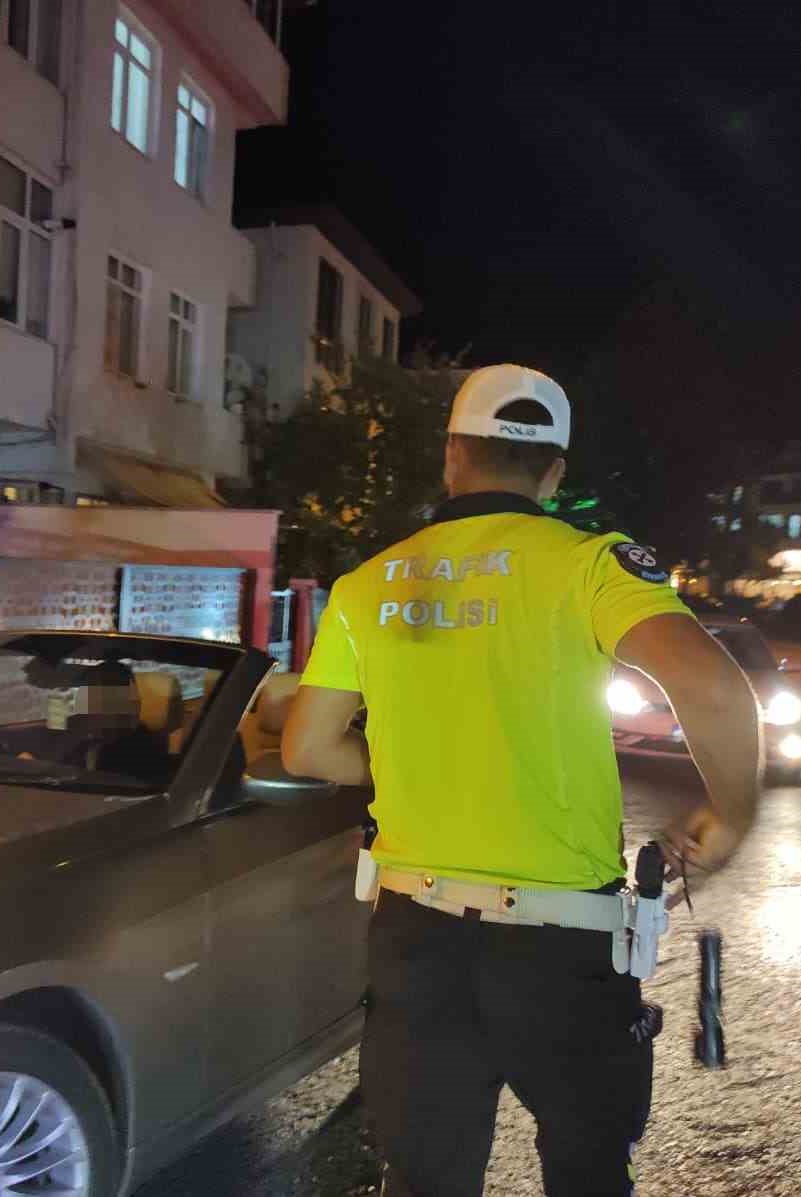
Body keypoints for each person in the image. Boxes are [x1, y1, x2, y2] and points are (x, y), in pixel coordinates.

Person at [281, 364, 763, 1197]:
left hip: (415, 937)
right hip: (560, 948)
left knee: (425, 1175)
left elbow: (307, 749)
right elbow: (715, 689)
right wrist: (732, 813)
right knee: (585, 1168)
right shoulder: (588, 565)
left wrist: (400, 762)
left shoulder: (371, 583)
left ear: (451, 458)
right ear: (552, 474)